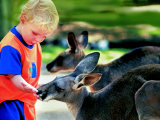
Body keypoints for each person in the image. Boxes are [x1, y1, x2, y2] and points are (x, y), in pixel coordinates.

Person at [0, 0, 59, 120]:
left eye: (44, 36)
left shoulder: (33, 43)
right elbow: (14, 77)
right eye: (35, 33)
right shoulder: (10, 47)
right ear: (23, 20)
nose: (38, 39)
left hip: (25, 100)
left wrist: (35, 85)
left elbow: (30, 72)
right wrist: (27, 86)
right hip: (8, 103)